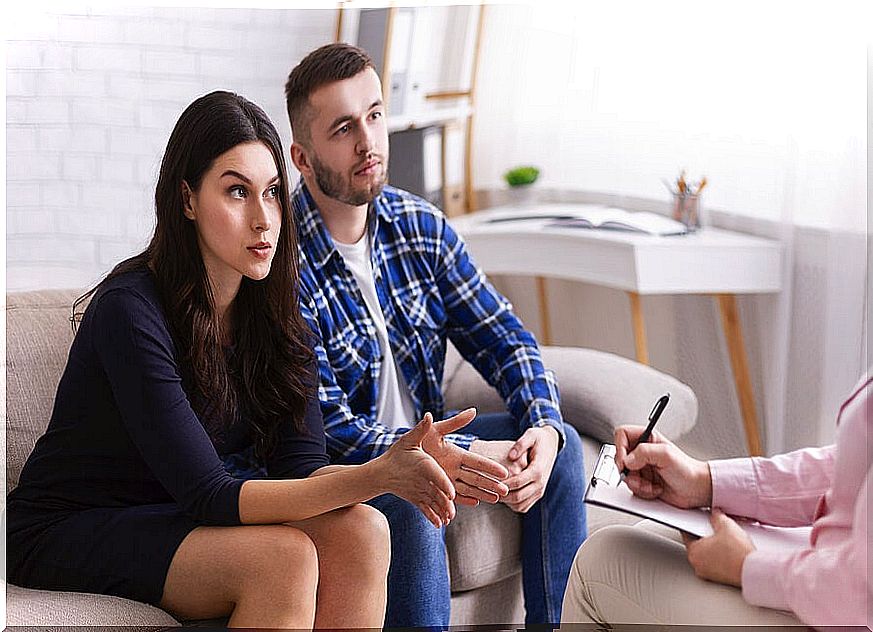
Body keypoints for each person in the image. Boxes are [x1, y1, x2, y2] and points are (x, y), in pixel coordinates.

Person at [5, 90, 480, 630]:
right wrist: (378, 474)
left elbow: (301, 473)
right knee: (282, 560)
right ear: (187, 199)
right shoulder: (129, 311)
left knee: (363, 531)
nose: (263, 219)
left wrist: (390, 463)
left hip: (171, 516)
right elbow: (210, 494)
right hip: (72, 525)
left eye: (273, 193)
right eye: (237, 192)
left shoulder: (281, 317)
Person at [283, 42, 587, 628]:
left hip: (428, 442)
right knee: (412, 495)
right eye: (343, 128)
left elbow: (507, 341)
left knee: (566, 445)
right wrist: (443, 456)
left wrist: (542, 428)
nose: (368, 142)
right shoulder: (282, 266)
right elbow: (329, 432)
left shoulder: (421, 228)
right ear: (301, 155)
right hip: (347, 475)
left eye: (374, 115)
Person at [562, 372, 871, 629]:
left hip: (841, 605)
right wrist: (705, 481)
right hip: (832, 566)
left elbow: (860, 592)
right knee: (646, 535)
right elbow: (843, 467)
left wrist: (748, 567)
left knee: (603, 559)